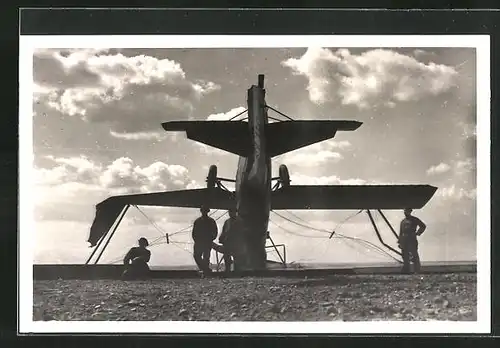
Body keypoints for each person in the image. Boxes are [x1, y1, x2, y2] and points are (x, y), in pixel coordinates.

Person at [398, 208, 427, 274]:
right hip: (404, 240)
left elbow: (423, 226)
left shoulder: (414, 219)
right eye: (405, 211)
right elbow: (401, 232)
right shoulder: (403, 221)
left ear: (410, 212)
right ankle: (406, 270)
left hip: (412, 239)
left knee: (414, 254)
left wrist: (418, 233)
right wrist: (400, 241)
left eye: (407, 211)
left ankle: (417, 270)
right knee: (405, 255)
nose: (405, 212)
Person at [192, 205, 218, 274]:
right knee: (196, 256)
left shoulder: (211, 221)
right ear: (201, 211)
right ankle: (205, 269)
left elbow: (215, 232)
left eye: (205, 211)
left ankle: (205, 270)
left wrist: (211, 239)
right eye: (203, 211)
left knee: (206, 257)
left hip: (207, 242)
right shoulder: (197, 221)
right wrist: (196, 241)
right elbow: (194, 233)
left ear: (207, 212)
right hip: (199, 242)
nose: (204, 212)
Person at [219, 207, 238, 273]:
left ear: (235, 212)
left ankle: (236, 270)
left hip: (236, 242)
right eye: (229, 212)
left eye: (232, 212)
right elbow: (224, 231)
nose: (230, 213)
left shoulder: (239, 221)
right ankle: (228, 270)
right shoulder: (227, 222)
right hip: (227, 242)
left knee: (236, 257)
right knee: (227, 256)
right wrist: (221, 238)